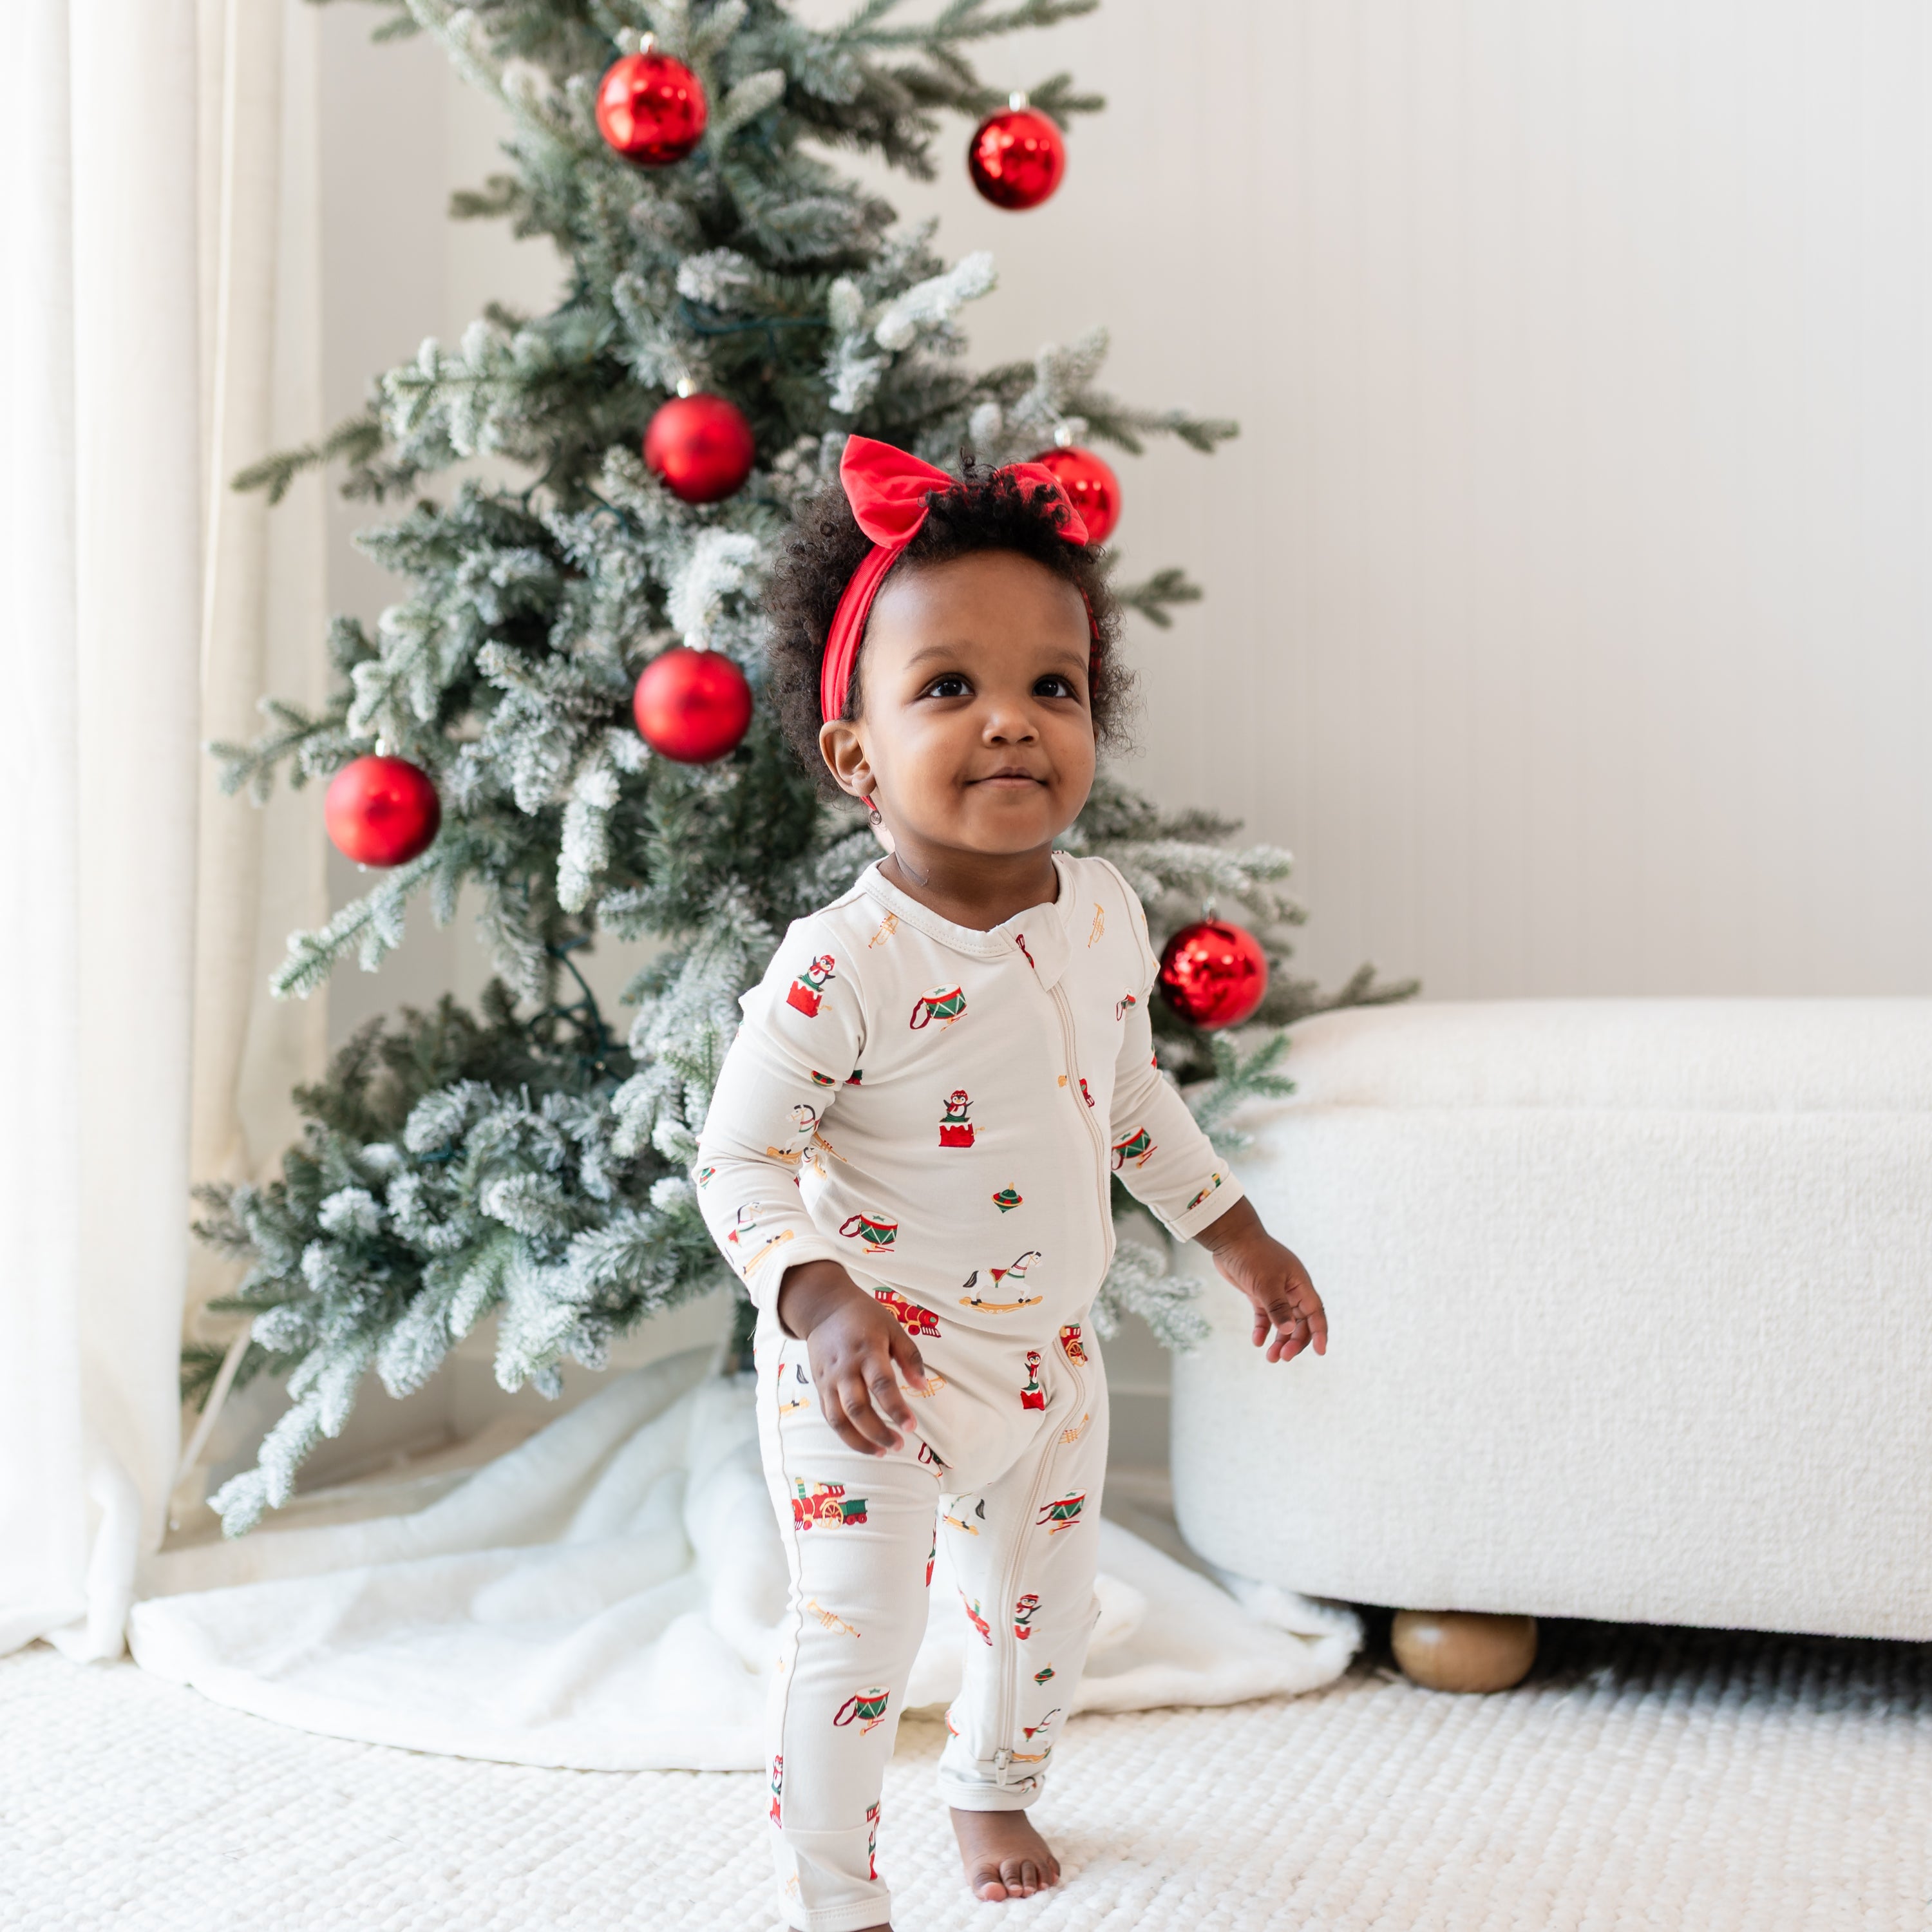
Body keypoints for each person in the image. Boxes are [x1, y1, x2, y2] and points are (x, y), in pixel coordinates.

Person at [694, 436, 1327, 1932]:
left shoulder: (1101, 910)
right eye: (947, 689)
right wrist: (820, 1295)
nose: (1012, 723)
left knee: (1045, 1624)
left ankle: (994, 1779)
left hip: (1049, 1355)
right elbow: (739, 1160)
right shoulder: (841, 965)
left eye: (1055, 687)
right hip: (879, 1368)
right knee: (855, 1641)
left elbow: (1124, 1099)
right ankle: (835, 1892)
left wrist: (1233, 1232)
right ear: (856, 758)